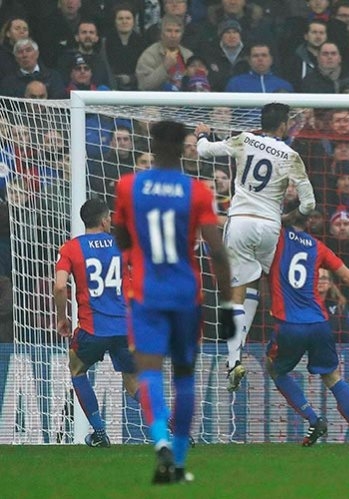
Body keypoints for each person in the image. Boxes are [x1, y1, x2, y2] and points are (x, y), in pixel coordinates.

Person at [113, 120, 235, 484]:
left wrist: (138, 251)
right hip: (186, 294)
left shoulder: (128, 186)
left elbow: (121, 237)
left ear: (151, 145)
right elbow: (218, 252)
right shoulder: (196, 191)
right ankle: (179, 463)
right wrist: (228, 305)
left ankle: (161, 441)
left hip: (146, 292)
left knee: (149, 371)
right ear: (184, 148)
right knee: (184, 377)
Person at [195, 102, 316, 392]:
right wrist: (289, 217)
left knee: (236, 292)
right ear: (284, 125)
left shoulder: (245, 140)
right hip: (270, 226)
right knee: (260, 286)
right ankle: (276, 346)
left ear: (262, 122)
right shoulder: (291, 155)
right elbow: (309, 204)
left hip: (240, 222)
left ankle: (233, 359)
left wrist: (202, 134)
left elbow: (204, 151)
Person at [266, 212, 349, 447]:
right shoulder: (318, 246)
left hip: (289, 324)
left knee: (274, 369)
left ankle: (313, 419)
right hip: (319, 323)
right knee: (332, 376)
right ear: (308, 223)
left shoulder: (276, 238)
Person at [54, 198, 139, 448]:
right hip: (124, 327)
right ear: (103, 220)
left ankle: (100, 432)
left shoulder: (70, 248)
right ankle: (169, 422)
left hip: (92, 329)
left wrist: (62, 318)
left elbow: (59, 286)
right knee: (133, 382)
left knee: (77, 369)